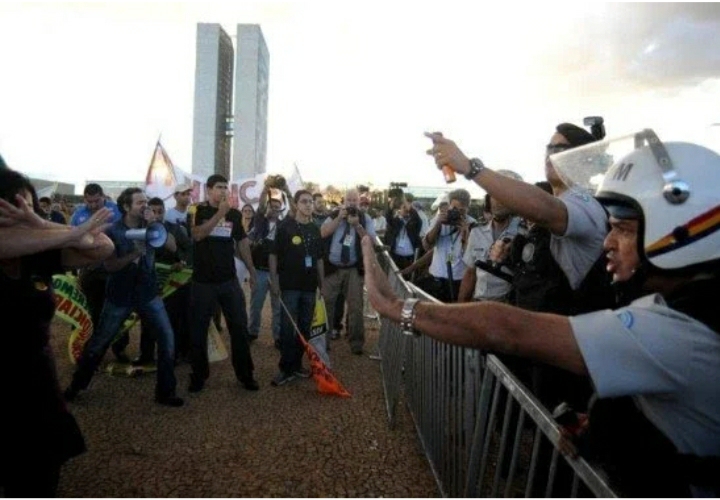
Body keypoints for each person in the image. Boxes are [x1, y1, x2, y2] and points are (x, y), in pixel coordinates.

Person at [365, 130, 720, 497]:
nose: (608, 242)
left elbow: (509, 328)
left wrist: (396, 307)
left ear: (682, 233)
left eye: (623, 230)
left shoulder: (676, 332)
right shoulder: (687, 304)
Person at [0, 168, 114, 497]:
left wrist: (40, 224)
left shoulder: (39, 249)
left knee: (38, 480)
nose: (22, 211)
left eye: (28, 204)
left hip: (35, 387)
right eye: (13, 204)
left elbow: (102, 247)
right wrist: (70, 232)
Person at [64, 187, 184, 407]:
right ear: (126, 207)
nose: (145, 205)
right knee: (100, 342)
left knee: (167, 340)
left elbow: (173, 246)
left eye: (145, 201)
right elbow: (110, 266)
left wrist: (154, 225)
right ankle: (77, 385)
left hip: (148, 294)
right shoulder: (113, 231)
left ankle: (165, 392)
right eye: (140, 202)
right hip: (120, 296)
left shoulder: (152, 225)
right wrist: (135, 254)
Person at [187, 174, 259, 393]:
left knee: (239, 327)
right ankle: (198, 375)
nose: (223, 191)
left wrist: (252, 270)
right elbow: (198, 235)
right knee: (198, 330)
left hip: (228, 281)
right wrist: (220, 213)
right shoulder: (196, 211)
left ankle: (245, 375)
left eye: (225, 188)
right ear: (208, 190)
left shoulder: (235, 215)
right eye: (219, 187)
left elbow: (242, 243)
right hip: (202, 282)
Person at [269, 190, 326, 385]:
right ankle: (285, 368)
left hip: (309, 287)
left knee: (304, 327)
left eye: (310, 202)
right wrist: (274, 281)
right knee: (287, 328)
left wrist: (322, 283)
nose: (308, 205)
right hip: (289, 286)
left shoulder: (315, 229)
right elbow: (273, 255)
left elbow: (318, 258)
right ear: (295, 204)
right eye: (304, 202)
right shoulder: (285, 227)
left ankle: (296, 364)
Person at [71, 183, 127, 361]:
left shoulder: (116, 210)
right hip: (90, 271)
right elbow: (71, 240)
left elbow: (125, 233)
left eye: (97, 201)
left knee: (118, 310)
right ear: (84, 199)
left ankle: (120, 348)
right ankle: (91, 352)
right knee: (92, 311)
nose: (93, 205)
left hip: (114, 269)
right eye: (89, 201)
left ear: (103, 196)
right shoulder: (78, 215)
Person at [321, 188, 376, 354]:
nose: (352, 203)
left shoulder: (365, 218)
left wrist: (357, 225)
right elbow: (323, 233)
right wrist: (339, 218)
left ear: (359, 202)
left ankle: (356, 343)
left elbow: (371, 241)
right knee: (327, 305)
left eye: (355, 200)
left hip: (353, 269)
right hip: (332, 268)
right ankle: (323, 342)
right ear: (343, 201)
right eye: (349, 200)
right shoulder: (333, 215)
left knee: (356, 307)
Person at [420, 188, 475, 303]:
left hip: (458, 280)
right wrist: (438, 225)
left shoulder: (473, 225)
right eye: (454, 208)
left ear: (467, 209)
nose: (456, 213)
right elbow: (426, 246)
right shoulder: (440, 219)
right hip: (436, 276)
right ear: (449, 205)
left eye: (461, 211)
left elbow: (472, 259)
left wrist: (466, 234)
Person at [247, 187, 283, 346]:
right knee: (256, 304)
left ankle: (278, 336)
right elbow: (260, 205)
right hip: (260, 270)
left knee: (278, 307)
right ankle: (252, 332)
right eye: (271, 206)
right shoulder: (260, 221)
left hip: (277, 273)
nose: (274, 210)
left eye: (277, 207)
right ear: (267, 207)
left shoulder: (283, 226)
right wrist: (265, 189)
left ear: (280, 209)